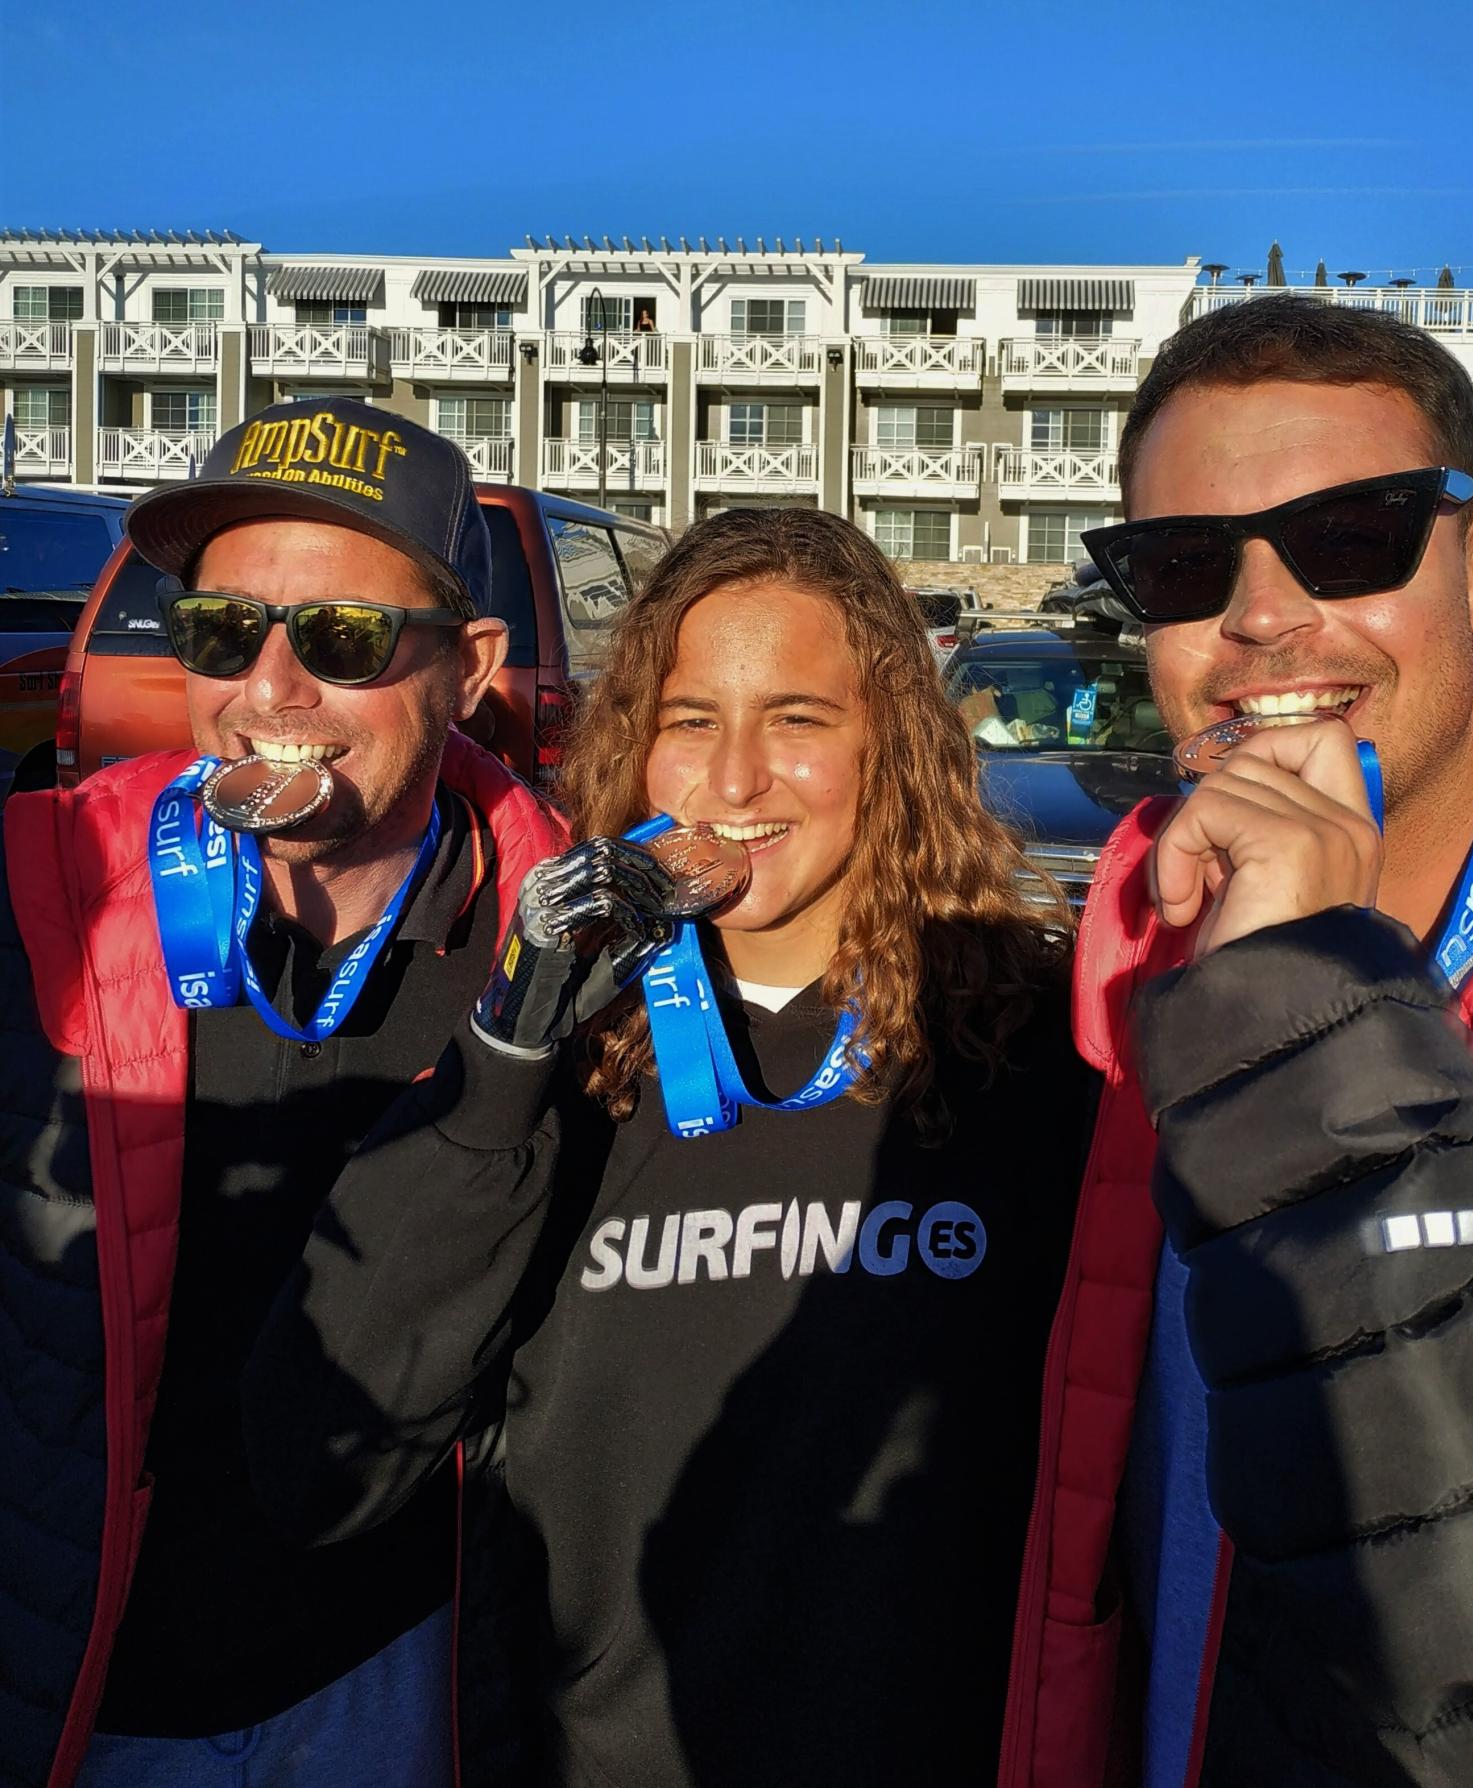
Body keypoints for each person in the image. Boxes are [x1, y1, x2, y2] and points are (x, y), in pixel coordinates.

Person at [246, 507, 1094, 1788]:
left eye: (798, 720)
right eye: (689, 721)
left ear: (896, 747)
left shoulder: (1043, 1053)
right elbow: (316, 1470)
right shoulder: (560, 1070)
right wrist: (503, 1068)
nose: (734, 780)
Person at [999, 296, 1473, 1787]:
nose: (1260, 616)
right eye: (1189, 566)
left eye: (1349, 538)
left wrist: (1316, 1017)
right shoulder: (1135, 972)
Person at [0, 396, 567, 1788]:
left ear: (472, 664)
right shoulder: (34, 896)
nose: (268, 688)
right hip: (89, 1690)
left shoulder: (577, 945)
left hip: (411, 1684)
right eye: (216, 631)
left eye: (344, 639)